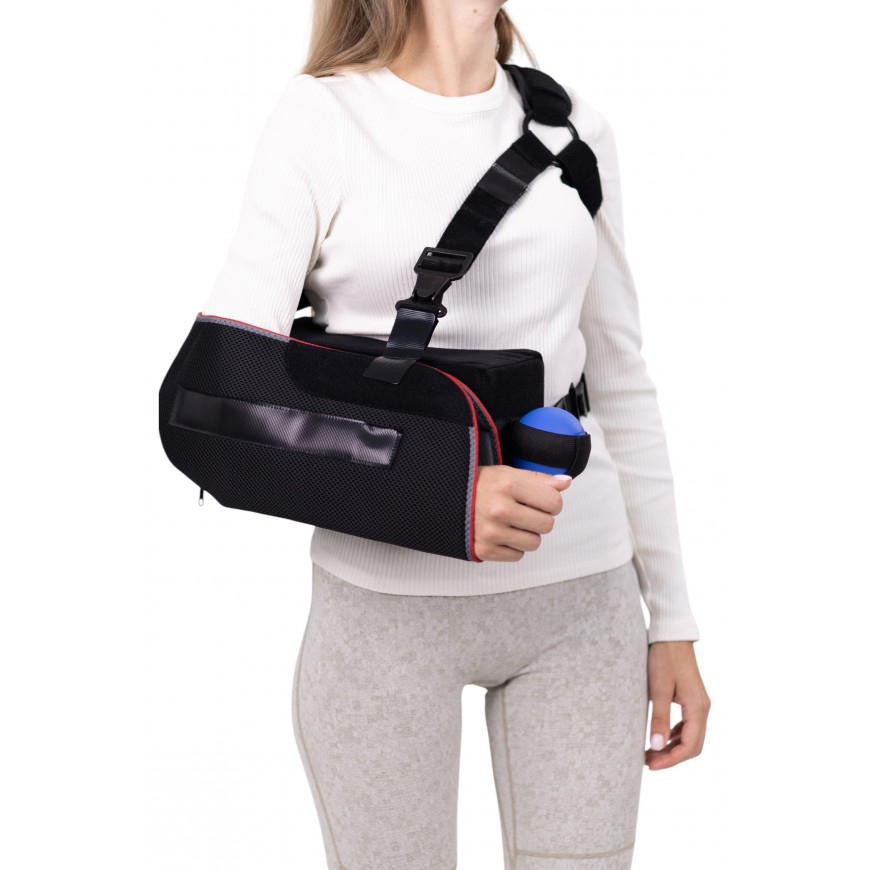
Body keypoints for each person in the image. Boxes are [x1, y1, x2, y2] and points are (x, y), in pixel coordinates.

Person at [199, 1, 711, 867]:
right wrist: (439, 490)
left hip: (583, 608)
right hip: (383, 617)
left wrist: (675, 620)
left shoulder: (574, 130)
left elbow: (620, 377)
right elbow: (224, 395)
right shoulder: (322, 119)